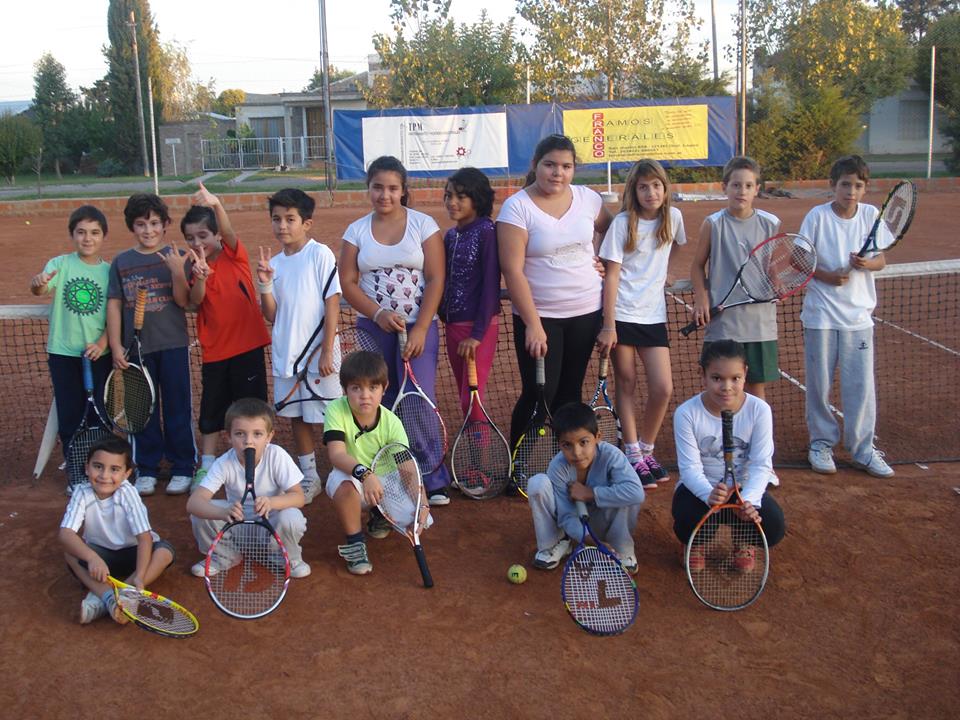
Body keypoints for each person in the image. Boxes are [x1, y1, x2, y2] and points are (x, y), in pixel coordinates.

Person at [339, 155, 451, 505]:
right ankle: (386, 475)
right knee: (377, 400)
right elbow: (348, 282)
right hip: (373, 331)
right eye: (377, 187)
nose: (384, 195)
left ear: (403, 191)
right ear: (368, 189)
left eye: (392, 188)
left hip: (420, 330)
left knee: (418, 400)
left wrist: (419, 329)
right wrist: (377, 313)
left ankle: (431, 477)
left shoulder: (423, 224)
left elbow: (435, 279)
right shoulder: (356, 230)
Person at [497, 134, 612, 476]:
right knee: (537, 395)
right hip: (541, 317)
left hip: (586, 312)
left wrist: (603, 257)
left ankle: (567, 467)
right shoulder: (517, 207)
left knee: (571, 394)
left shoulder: (589, 200)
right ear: (535, 165)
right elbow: (512, 269)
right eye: (550, 165)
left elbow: (611, 229)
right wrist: (533, 323)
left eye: (566, 166)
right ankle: (517, 467)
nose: (557, 173)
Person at [800, 155, 894, 478]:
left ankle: (862, 449)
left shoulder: (871, 216)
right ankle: (821, 443)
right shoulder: (816, 217)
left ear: (865, 189)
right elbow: (801, 261)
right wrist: (826, 276)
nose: (850, 191)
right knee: (819, 385)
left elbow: (881, 260)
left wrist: (867, 265)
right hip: (821, 316)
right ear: (833, 186)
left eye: (857, 185)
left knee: (860, 387)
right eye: (844, 184)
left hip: (858, 319)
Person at [597, 159, 686, 490]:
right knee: (627, 383)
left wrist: (667, 273)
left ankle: (647, 449)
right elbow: (612, 274)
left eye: (657, 186)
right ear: (634, 190)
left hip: (653, 316)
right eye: (644, 186)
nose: (651, 192)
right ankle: (633, 452)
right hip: (621, 315)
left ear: (665, 189)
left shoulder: (673, 219)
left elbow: (676, 247)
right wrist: (608, 325)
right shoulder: (622, 223)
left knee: (663, 388)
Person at [182, 183, 271, 488]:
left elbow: (230, 231)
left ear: (216, 234)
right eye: (191, 238)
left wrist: (216, 204)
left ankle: (259, 463)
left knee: (253, 409)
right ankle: (206, 466)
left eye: (203, 236)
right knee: (212, 409)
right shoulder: (193, 266)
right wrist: (202, 276)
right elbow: (195, 301)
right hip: (215, 352)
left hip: (247, 347)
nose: (198, 242)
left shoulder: (235, 254)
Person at [106, 193, 196, 496]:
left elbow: (184, 301)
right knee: (140, 409)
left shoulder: (178, 256)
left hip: (172, 345)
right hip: (136, 351)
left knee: (177, 408)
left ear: (165, 224)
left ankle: (182, 466)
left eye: (154, 223)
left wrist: (175, 270)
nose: (148, 230)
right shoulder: (122, 262)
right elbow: (115, 305)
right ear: (132, 226)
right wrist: (117, 346)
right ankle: (146, 467)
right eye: (141, 224)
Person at [256, 188, 341, 504]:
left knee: (332, 416)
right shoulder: (274, 263)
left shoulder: (320, 254)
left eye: (290, 219)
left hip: (320, 355)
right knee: (297, 419)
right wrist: (265, 282)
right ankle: (309, 477)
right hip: (286, 356)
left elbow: (332, 302)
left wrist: (327, 349)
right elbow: (272, 314)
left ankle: (341, 472)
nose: (282, 226)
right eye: (276, 219)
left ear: (307, 223)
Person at [672, 340, 786, 571]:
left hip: (743, 490)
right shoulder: (686, 413)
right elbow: (690, 469)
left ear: (745, 373)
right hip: (701, 489)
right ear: (702, 375)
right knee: (686, 516)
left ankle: (743, 540)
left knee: (773, 526)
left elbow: (761, 464)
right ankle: (695, 543)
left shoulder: (759, 410)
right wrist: (708, 494)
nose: (726, 387)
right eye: (717, 378)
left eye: (735, 378)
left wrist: (750, 501)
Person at [323, 350, 431, 575]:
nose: (365, 395)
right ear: (344, 390)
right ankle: (355, 544)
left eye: (372, 388)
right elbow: (336, 454)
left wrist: (422, 502)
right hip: (351, 475)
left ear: (384, 388)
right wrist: (366, 474)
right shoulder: (336, 410)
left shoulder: (392, 423)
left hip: (386, 479)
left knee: (421, 519)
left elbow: (407, 469)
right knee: (345, 488)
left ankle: (379, 514)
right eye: (356, 388)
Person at [30, 205, 112, 492]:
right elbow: (40, 288)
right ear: (72, 235)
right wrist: (38, 283)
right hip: (63, 354)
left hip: (99, 356)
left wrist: (102, 343)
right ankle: (76, 472)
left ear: (103, 237)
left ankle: (100, 470)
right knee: (70, 415)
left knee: (98, 416)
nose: (87, 239)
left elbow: (114, 315)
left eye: (94, 233)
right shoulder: (60, 264)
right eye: (81, 232)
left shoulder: (109, 271)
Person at [690, 156, 781, 399]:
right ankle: (723, 438)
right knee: (720, 391)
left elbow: (770, 262)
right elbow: (697, 266)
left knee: (755, 390)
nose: (742, 191)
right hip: (724, 326)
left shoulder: (770, 223)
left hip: (759, 325)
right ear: (724, 187)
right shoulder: (713, 224)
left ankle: (758, 438)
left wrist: (776, 281)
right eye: (736, 185)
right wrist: (701, 298)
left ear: (757, 190)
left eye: (749, 186)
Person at [186, 398, 310, 578]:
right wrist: (223, 513)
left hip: (270, 526)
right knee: (199, 514)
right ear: (228, 436)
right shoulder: (223, 463)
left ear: (269, 436)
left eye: (257, 434)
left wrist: (272, 502)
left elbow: (299, 497)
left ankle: (286, 557)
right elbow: (194, 503)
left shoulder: (277, 456)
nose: (248, 441)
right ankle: (225, 556)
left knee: (291, 517)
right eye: (240, 434)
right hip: (236, 527)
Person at [59, 435, 176, 625]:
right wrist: (92, 558)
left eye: (114, 469)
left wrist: (140, 576)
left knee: (164, 552)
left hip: (134, 554)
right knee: (70, 554)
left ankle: (122, 595)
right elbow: (65, 534)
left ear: (126, 474)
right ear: (87, 467)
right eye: (98, 466)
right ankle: (107, 598)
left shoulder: (127, 493)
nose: (105, 476)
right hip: (102, 559)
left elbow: (145, 538)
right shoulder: (81, 492)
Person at [526, 402, 644, 573]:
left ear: (598, 437)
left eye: (583, 442)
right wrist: (592, 541)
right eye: (567, 445)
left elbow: (637, 493)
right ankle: (555, 543)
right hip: (580, 525)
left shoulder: (612, 456)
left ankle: (622, 547)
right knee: (537, 484)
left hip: (610, 522)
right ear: (558, 444)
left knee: (625, 490)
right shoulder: (557, 467)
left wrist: (590, 494)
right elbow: (566, 516)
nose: (577, 452)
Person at [438, 167, 501, 421]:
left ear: (477, 199)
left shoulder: (487, 231)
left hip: (477, 329)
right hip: (453, 327)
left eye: (460, 197)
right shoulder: (451, 235)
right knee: (464, 396)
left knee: (471, 399)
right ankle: (475, 456)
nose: (452, 202)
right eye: (448, 195)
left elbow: (490, 286)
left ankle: (479, 460)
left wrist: (476, 335)